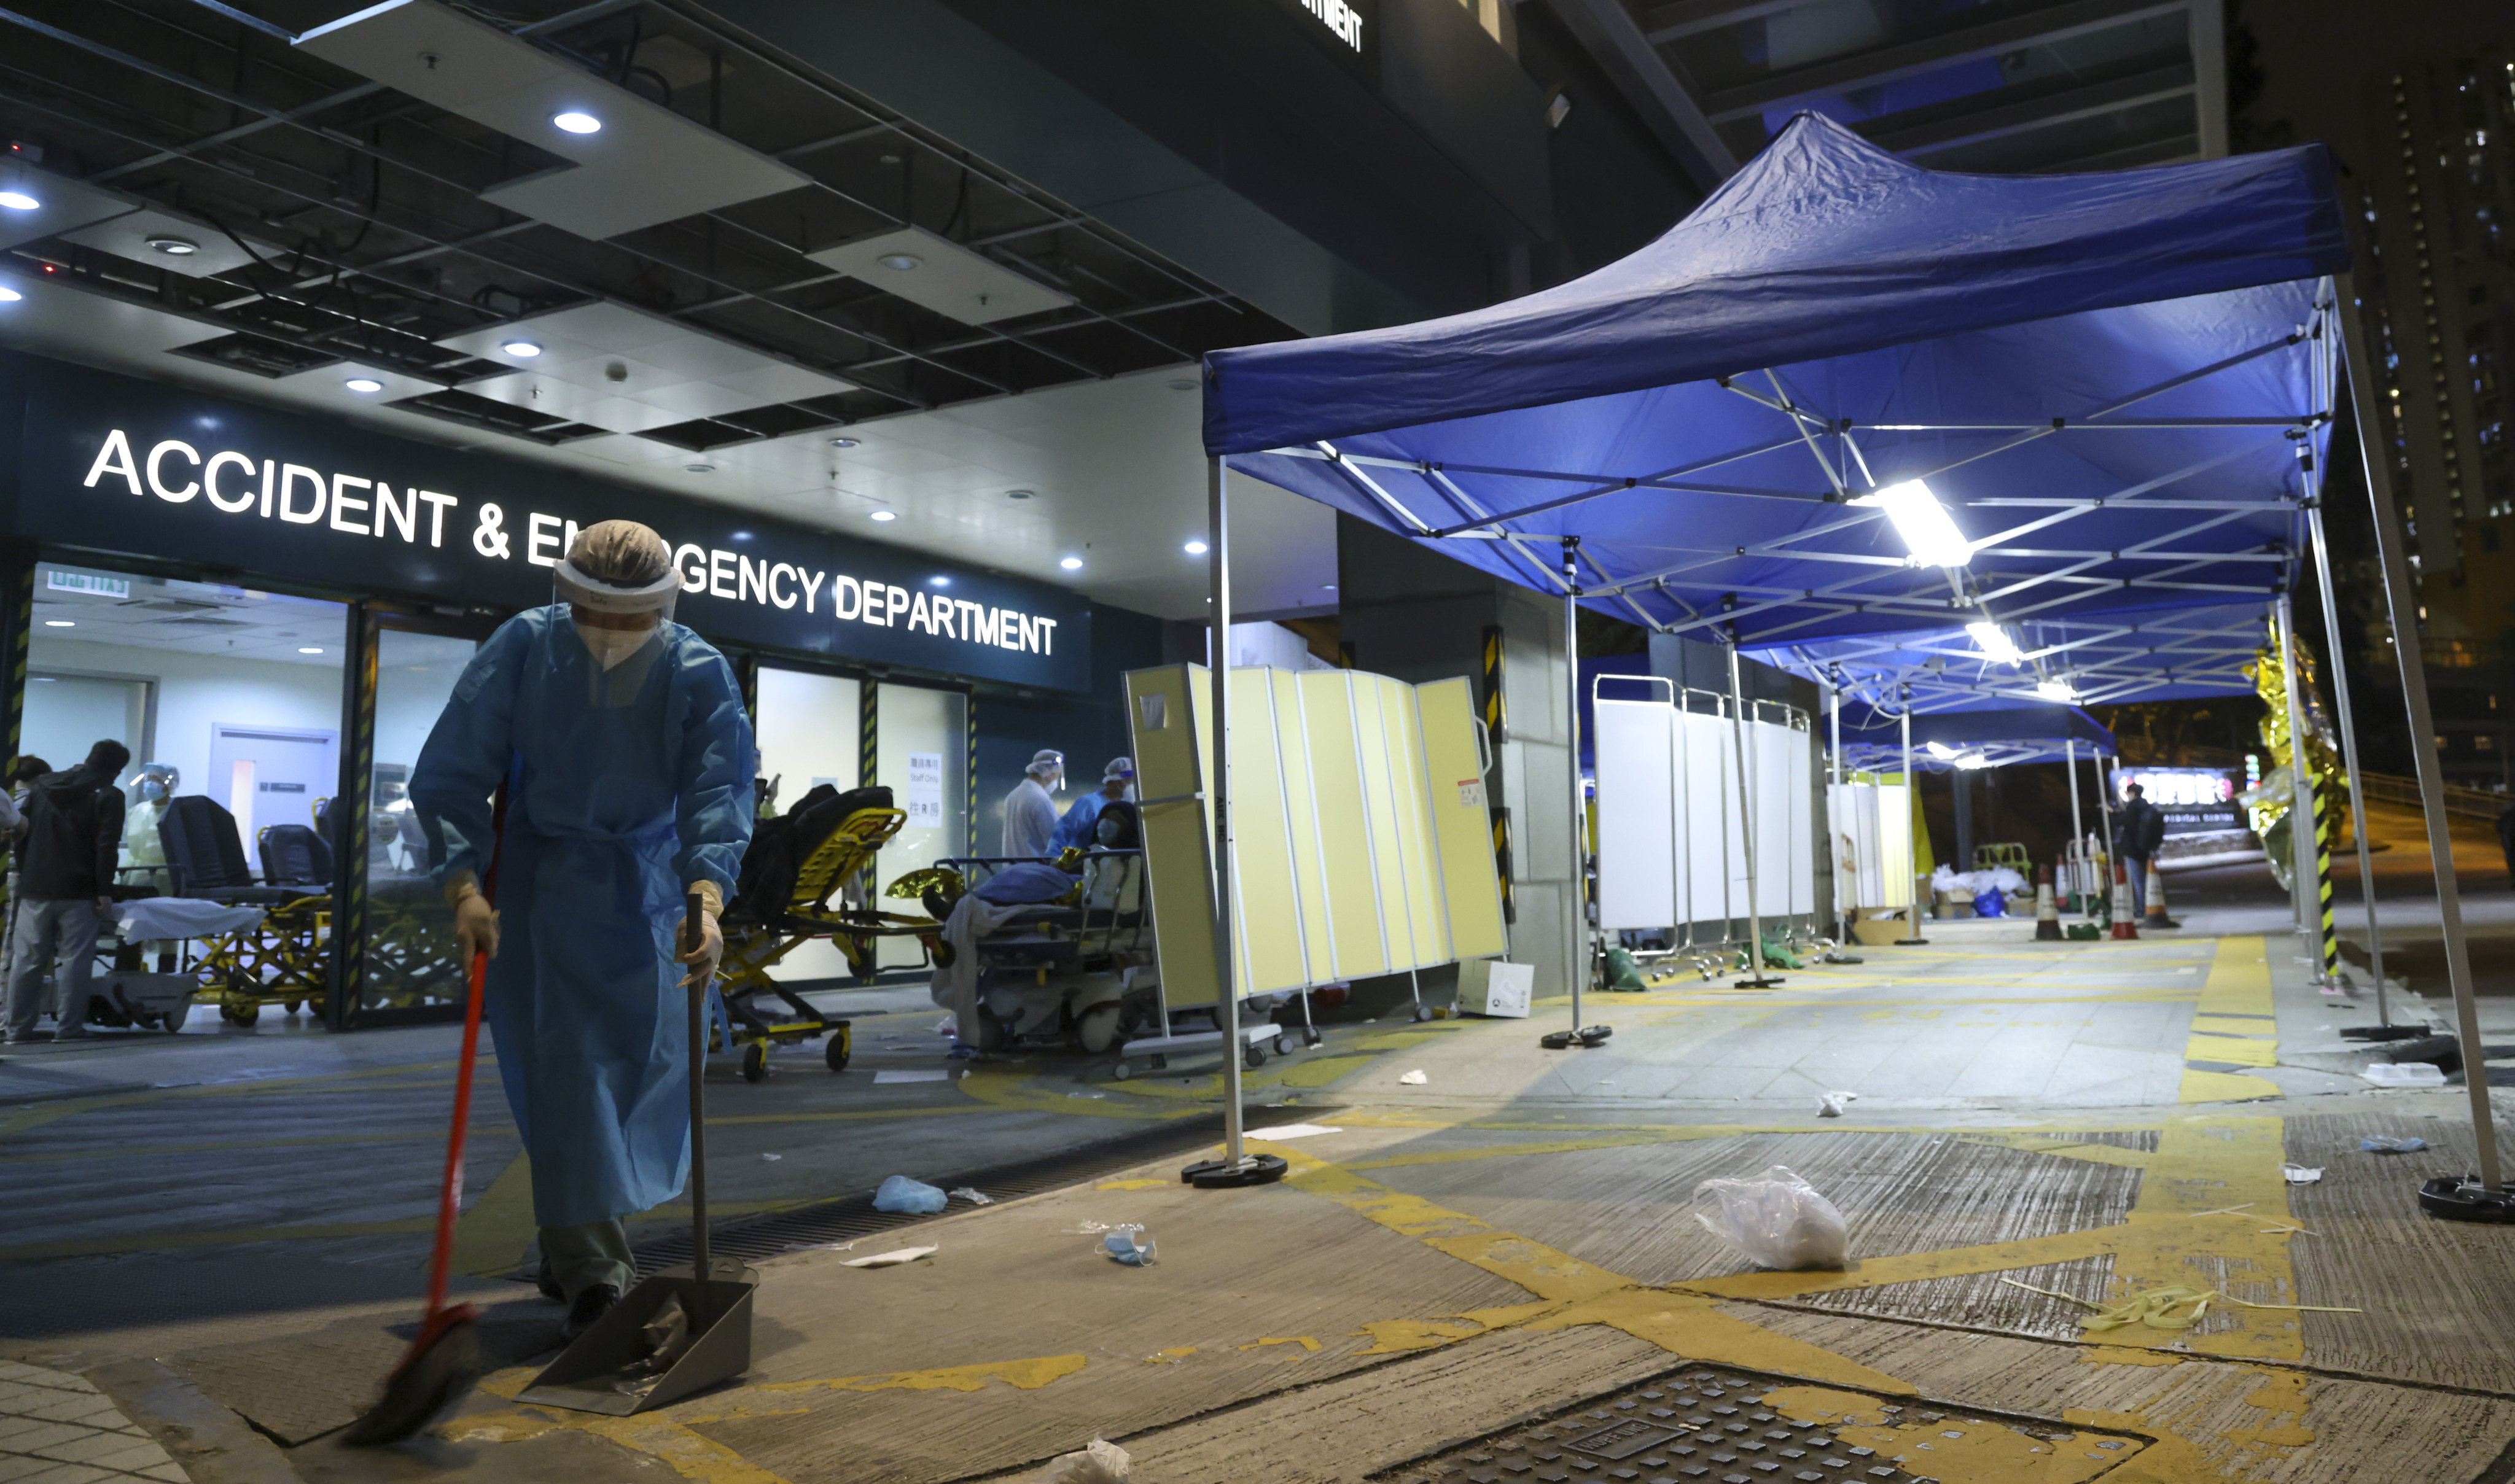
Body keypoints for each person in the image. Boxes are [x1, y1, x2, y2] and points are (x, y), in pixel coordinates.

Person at [410, 520, 755, 1341]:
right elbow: (456, 768)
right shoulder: (525, 647)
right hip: (543, 893)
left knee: (646, 1076)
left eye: (628, 616)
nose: (608, 633)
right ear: (566, 597)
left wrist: (705, 899)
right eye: (592, 612)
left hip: (653, 897)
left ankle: (568, 1247)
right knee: (572, 1088)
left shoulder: (697, 669)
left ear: (663, 606)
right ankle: (598, 1273)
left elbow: (720, 792)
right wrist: (463, 885)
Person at [5, 740, 128, 1044]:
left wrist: (26, 873)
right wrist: (103, 890)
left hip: (35, 888)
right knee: (75, 961)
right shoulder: (110, 795)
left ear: (88, 758)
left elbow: (21, 833)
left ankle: (16, 1031)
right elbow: (106, 846)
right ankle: (69, 1030)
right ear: (115, 770)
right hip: (79, 890)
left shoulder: (43, 786)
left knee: (27, 961)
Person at [1049, 756, 1135, 852]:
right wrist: (1055, 858)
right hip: (1087, 862)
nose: (1133, 784)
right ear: (1116, 781)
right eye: (1129, 780)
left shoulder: (1129, 805)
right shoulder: (1088, 804)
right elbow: (1062, 833)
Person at [2113, 782, 2166, 915]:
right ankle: (2148, 905)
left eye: (2128, 793)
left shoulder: (2133, 807)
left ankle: (2142, 909)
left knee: (2138, 880)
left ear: (2133, 793)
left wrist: (2112, 812)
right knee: (2144, 879)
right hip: (2145, 848)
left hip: (2133, 849)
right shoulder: (2147, 807)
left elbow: (2120, 822)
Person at [1000, 748, 1063, 858]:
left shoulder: (1013, 796)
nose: (1055, 781)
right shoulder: (1040, 800)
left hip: (1012, 871)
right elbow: (1057, 843)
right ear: (1048, 774)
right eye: (1056, 776)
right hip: (1035, 872)